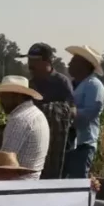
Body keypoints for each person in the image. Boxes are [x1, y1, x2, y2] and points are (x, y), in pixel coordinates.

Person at [0, 76, 49, 179]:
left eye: (4, 97)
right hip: (31, 181)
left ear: (17, 97)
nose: (1, 102)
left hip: (16, 183)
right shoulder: (37, 114)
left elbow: (4, 163)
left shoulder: (19, 120)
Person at [25, 43, 74, 179]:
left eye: (35, 61)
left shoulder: (61, 82)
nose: (30, 65)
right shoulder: (30, 84)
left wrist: (50, 112)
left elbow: (71, 110)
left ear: (47, 61)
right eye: (29, 60)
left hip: (56, 144)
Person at [63, 46, 104, 179]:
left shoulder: (94, 86)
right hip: (66, 142)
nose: (69, 64)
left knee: (78, 179)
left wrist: (67, 113)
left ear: (85, 65)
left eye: (74, 61)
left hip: (83, 143)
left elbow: (89, 113)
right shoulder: (71, 84)